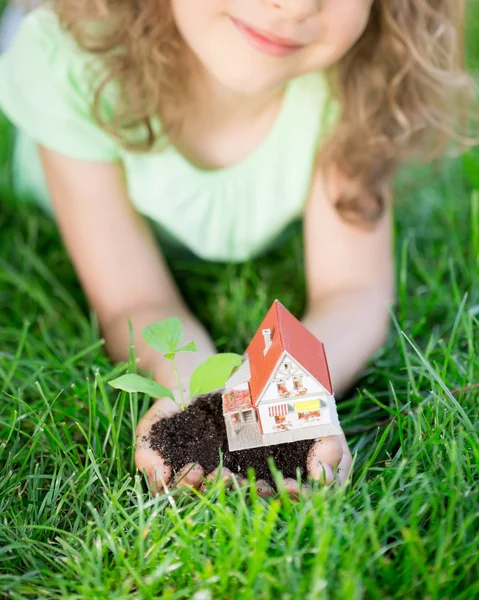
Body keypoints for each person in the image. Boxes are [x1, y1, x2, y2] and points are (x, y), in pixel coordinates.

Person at [0, 0, 473, 496]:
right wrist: (183, 381)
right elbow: (134, 299)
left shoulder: (357, 80)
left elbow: (355, 290)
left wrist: (288, 400)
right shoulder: (72, 67)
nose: (294, 6)